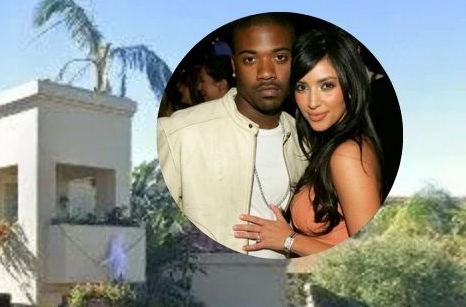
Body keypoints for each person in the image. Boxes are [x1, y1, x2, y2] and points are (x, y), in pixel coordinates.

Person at [158, 13, 307, 257]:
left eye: (280, 58)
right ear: (234, 68)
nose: (266, 72)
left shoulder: (304, 139)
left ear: (295, 64)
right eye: (250, 59)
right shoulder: (179, 132)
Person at [232, 27, 383, 256]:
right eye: (302, 87)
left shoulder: (347, 154)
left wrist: (289, 240)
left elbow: (369, 255)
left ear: (350, 87)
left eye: (327, 86)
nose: (312, 102)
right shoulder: (333, 145)